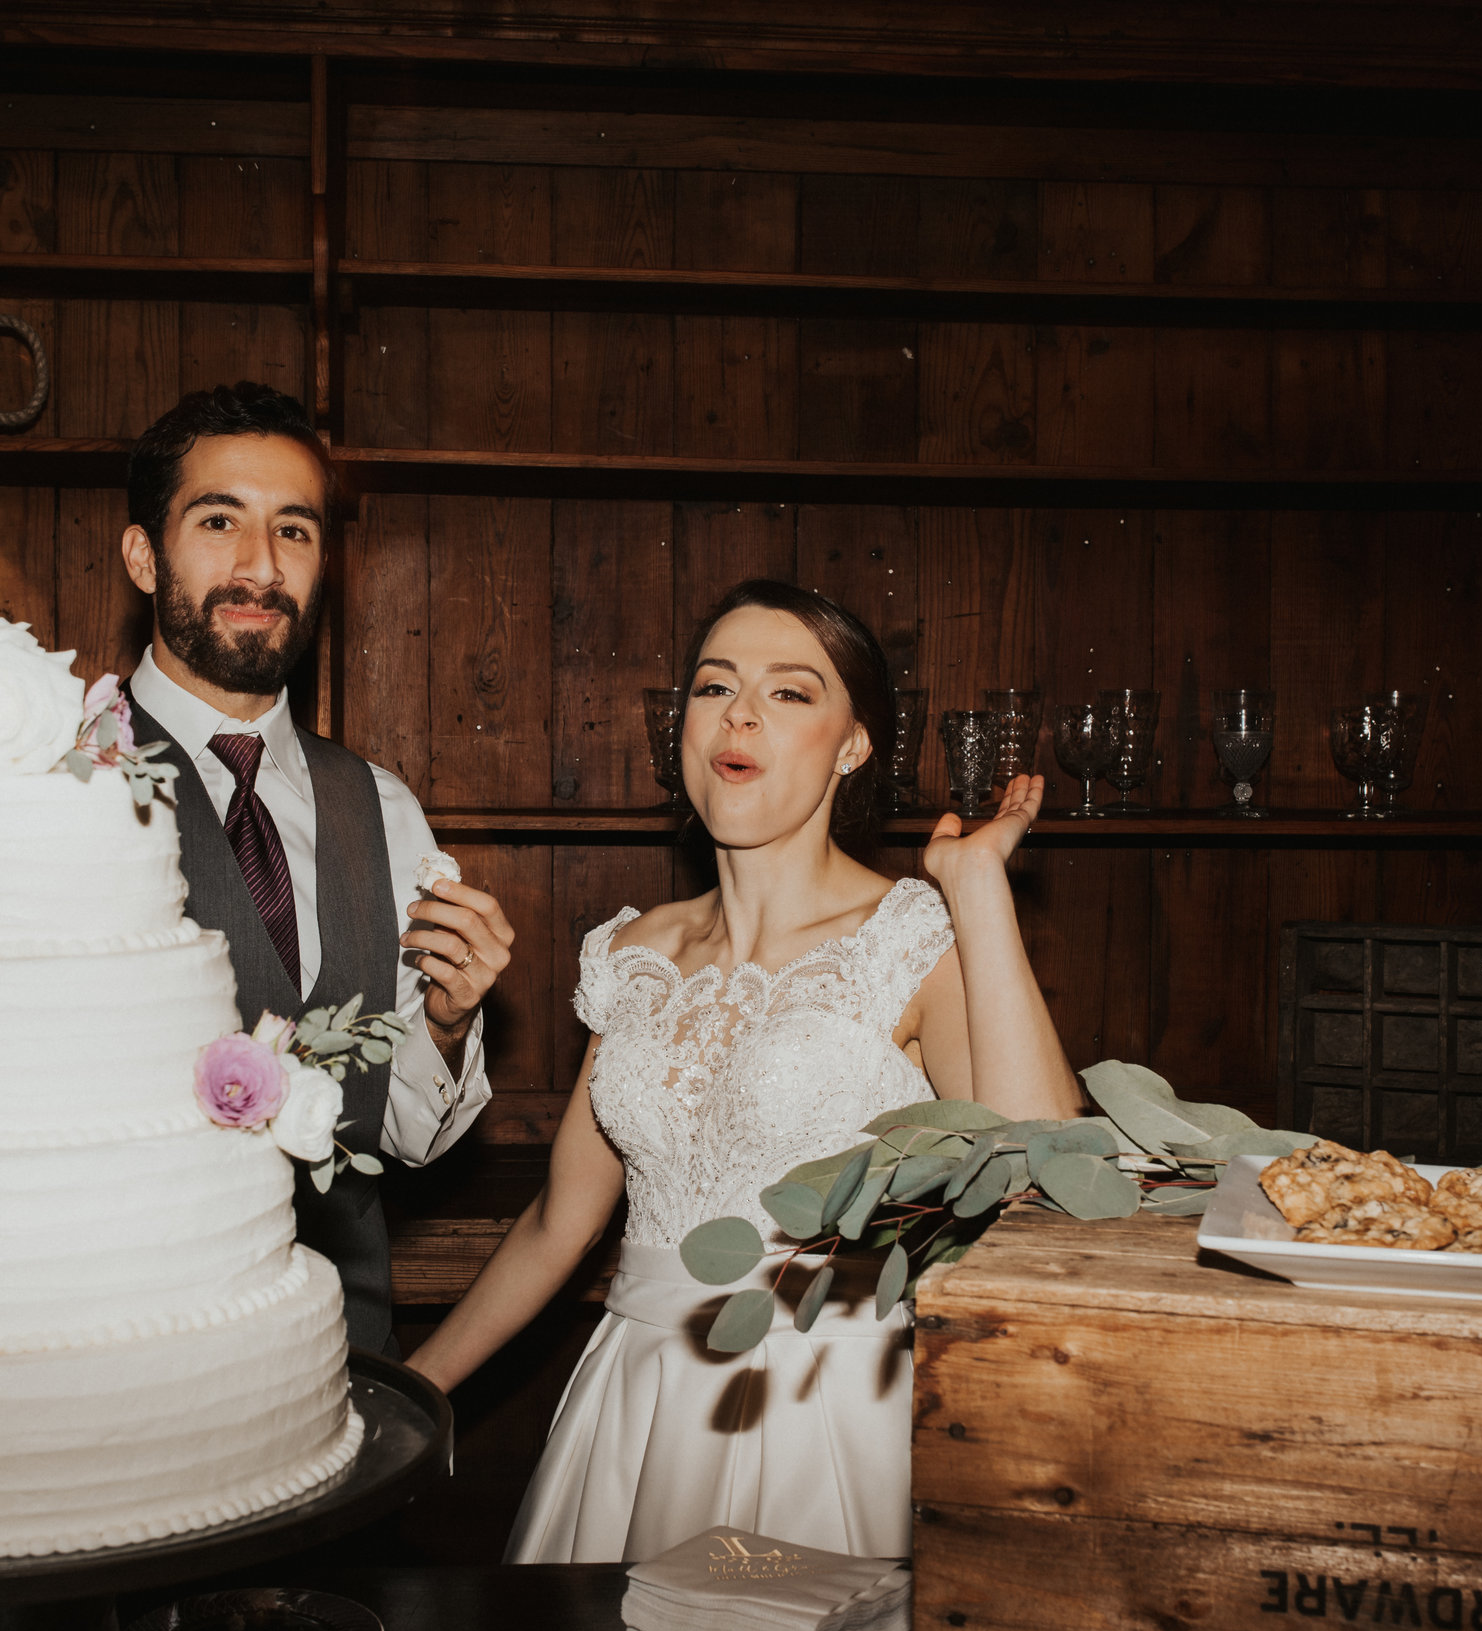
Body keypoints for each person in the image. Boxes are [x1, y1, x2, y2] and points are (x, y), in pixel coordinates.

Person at [0, 0, 516, 1355]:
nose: (261, 560)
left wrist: (447, 1018)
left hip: (325, 1362)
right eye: (220, 520)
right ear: (143, 554)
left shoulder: (380, 807)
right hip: (94, 1356)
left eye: (296, 529)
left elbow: (409, 1145)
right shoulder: (39, 745)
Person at [406, 579, 1086, 1562]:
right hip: (635, 1406)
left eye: (792, 692)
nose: (740, 713)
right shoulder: (633, 953)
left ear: (853, 745)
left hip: (826, 1414)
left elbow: (1042, 1176)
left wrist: (978, 892)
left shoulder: (908, 941)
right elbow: (562, 1222)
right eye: (714, 685)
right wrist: (414, 1388)